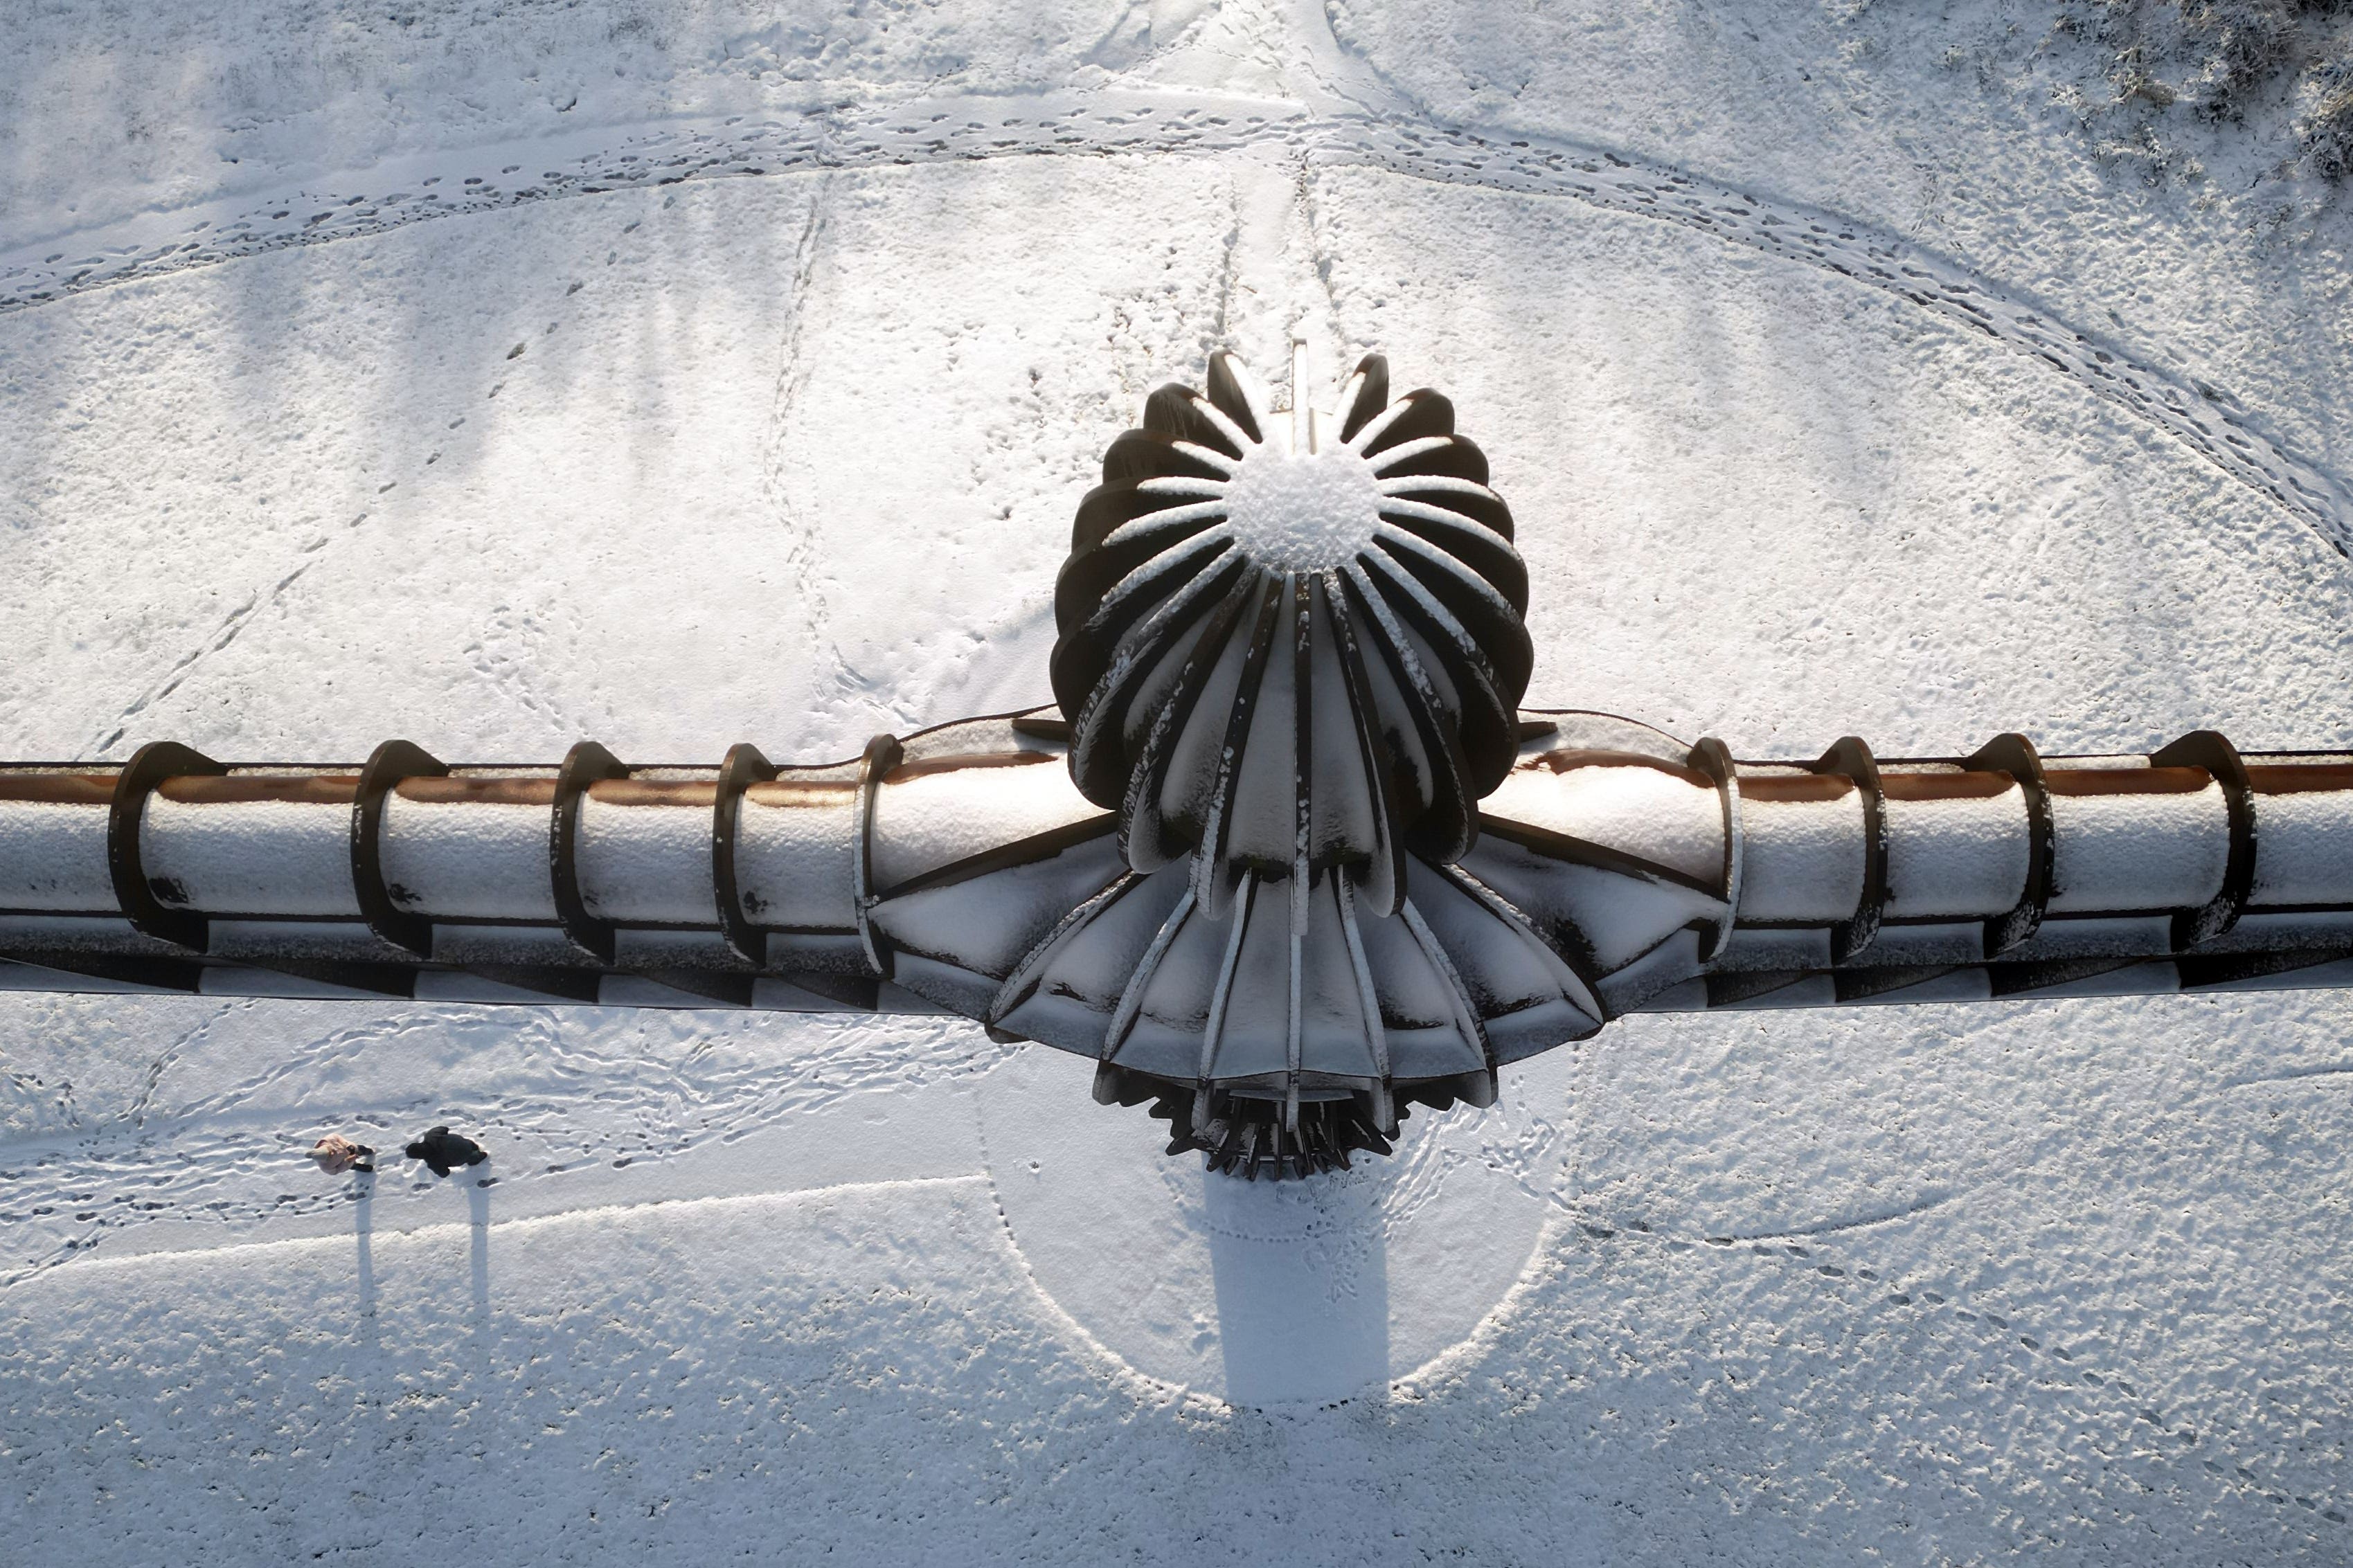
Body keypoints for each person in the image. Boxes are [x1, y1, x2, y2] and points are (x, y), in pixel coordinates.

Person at [404, 1125, 488, 1177]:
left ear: (419, 1157)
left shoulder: (433, 1163)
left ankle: (479, 1156)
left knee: (470, 1158)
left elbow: (444, 1174)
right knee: (465, 1144)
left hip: (464, 1155)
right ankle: (474, 1147)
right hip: (464, 1143)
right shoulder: (431, 1135)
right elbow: (444, 1128)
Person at [310, 1134, 375, 1174]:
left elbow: (336, 1136)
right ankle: (367, 1169)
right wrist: (348, 1161)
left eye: (330, 1152)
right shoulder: (325, 1167)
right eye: (329, 1156)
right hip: (347, 1162)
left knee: (362, 1149)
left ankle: (369, 1151)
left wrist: (346, 1145)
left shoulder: (326, 1141)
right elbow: (336, 1171)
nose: (333, 1153)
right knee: (354, 1166)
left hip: (352, 1149)